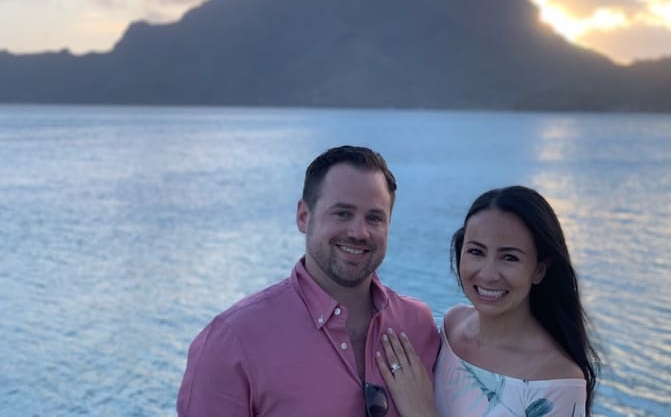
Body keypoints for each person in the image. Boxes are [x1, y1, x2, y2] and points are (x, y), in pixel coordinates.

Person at [177, 145, 441, 416]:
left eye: (374, 218)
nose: (359, 232)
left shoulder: (417, 325)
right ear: (304, 217)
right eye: (343, 213)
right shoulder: (232, 340)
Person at [375, 186, 600, 417]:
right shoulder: (452, 327)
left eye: (509, 258)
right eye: (476, 252)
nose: (488, 274)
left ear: (539, 270)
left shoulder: (557, 380)